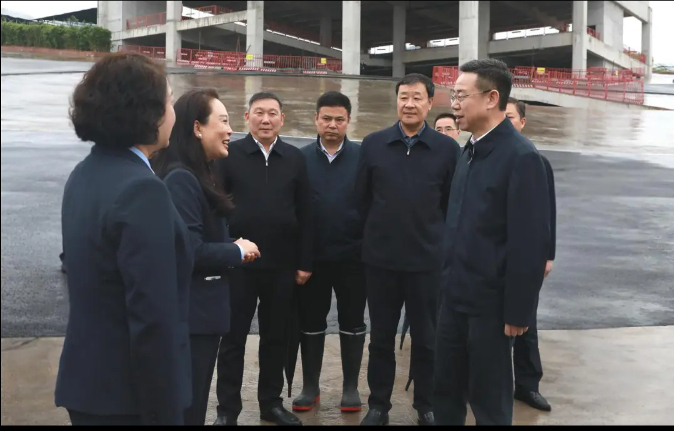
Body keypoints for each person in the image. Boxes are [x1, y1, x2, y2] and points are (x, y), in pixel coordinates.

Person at [55, 52, 193, 425]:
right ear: (149, 113)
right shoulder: (142, 190)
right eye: (169, 101)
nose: (173, 112)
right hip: (129, 397)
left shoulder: (84, 174)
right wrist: (164, 411)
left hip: (88, 385)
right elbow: (152, 318)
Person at [434, 59, 551, 426]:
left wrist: (518, 311)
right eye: (453, 95)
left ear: (491, 98)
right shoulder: (469, 150)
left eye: (461, 96)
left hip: (490, 307)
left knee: (489, 400)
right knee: (446, 392)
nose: (454, 104)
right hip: (454, 297)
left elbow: (529, 243)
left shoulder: (521, 158)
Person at [355, 73, 461, 426]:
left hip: (427, 264)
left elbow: (452, 207)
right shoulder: (374, 144)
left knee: (427, 340)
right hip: (381, 262)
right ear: (396, 100)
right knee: (381, 339)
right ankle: (378, 405)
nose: (409, 104)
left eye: (417, 98)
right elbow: (361, 199)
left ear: (430, 103)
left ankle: (426, 405)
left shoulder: (447, 150)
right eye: (404, 97)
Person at [151, 89, 261, 425]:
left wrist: (228, 243)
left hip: (200, 318)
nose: (230, 130)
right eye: (223, 121)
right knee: (189, 407)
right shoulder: (182, 179)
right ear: (198, 128)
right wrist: (236, 250)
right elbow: (189, 250)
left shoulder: (198, 173)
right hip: (191, 318)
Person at [213, 92, 312, 427]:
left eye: (272, 113)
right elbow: (216, 206)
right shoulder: (229, 154)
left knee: (276, 337)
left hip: (281, 265)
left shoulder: (295, 158)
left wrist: (304, 261)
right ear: (247, 117)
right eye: (259, 113)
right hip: (239, 263)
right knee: (232, 339)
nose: (265, 119)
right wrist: (224, 248)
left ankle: (271, 403)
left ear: (282, 118)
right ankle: (227, 410)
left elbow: (306, 212)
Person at [292, 91, 366, 413]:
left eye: (339, 119)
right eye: (326, 119)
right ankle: (310, 386)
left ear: (348, 121)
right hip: (313, 260)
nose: (332, 125)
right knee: (311, 321)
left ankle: (350, 387)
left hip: (354, 259)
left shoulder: (363, 158)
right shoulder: (300, 159)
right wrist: (301, 259)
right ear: (316, 119)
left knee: (352, 322)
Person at [506, 97, 556, 412]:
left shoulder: (534, 160)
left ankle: (527, 384)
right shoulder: (479, 156)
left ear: (522, 122)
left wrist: (548, 254)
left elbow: (548, 213)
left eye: (511, 117)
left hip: (527, 259)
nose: (506, 122)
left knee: (526, 323)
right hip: (490, 260)